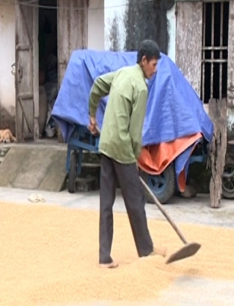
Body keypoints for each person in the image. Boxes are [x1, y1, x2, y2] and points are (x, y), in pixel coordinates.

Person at [88, 40, 166, 269]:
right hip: (121, 148)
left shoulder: (122, 73)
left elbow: (97, 85)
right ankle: (146, 251)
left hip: (106, 145)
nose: (155, 69)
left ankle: (104, 257)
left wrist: (92, 115)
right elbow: (134, 133)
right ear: (143, 61)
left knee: (106, 203)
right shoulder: (141, 88)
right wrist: (134, 159)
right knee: (135, 201)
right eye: (154, 64)